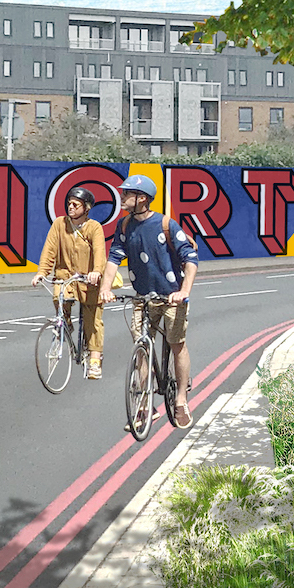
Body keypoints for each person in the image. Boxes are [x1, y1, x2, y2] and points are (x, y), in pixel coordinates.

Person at [99, 175, 197, 426]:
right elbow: (113, 258)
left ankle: (181, 401)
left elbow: (190, 259)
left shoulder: (166, 224)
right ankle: (145, 405)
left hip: (171, 297)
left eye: (127, 193)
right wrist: (105, 288)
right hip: (142, 298)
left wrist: (183, 291)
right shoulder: (124, 226)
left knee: (177, 345)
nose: (122, 197)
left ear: (141, 198)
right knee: (142, 349)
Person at [36, 185, 110, 379]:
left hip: (88, 280)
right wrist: (41, 272)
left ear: (86, 208)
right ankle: (65, 323)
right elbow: (49, 250)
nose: (71, 207)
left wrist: (96, 272)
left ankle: (94, 360)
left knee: (93, 320)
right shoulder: (59, 224)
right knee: (59, 295)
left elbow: (100, 253)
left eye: (76, 204)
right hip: (65, 276)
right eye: (69, 203)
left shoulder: (94, 227)